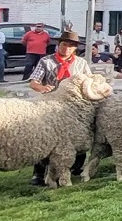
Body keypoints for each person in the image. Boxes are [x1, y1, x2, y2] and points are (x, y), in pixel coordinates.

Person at [26, 31, 89, 185]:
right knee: (46, 137)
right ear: (58, 45)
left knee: (78, 137)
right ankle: (39, 173)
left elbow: (88, 81)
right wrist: (41, 88)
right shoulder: (46, 61)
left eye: (71, 46)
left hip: (74, 106)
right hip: (51, 105)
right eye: (64, 45)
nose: (67, 48)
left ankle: (76, 166)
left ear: (75, 48)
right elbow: (33, 82)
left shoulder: (81, 63)